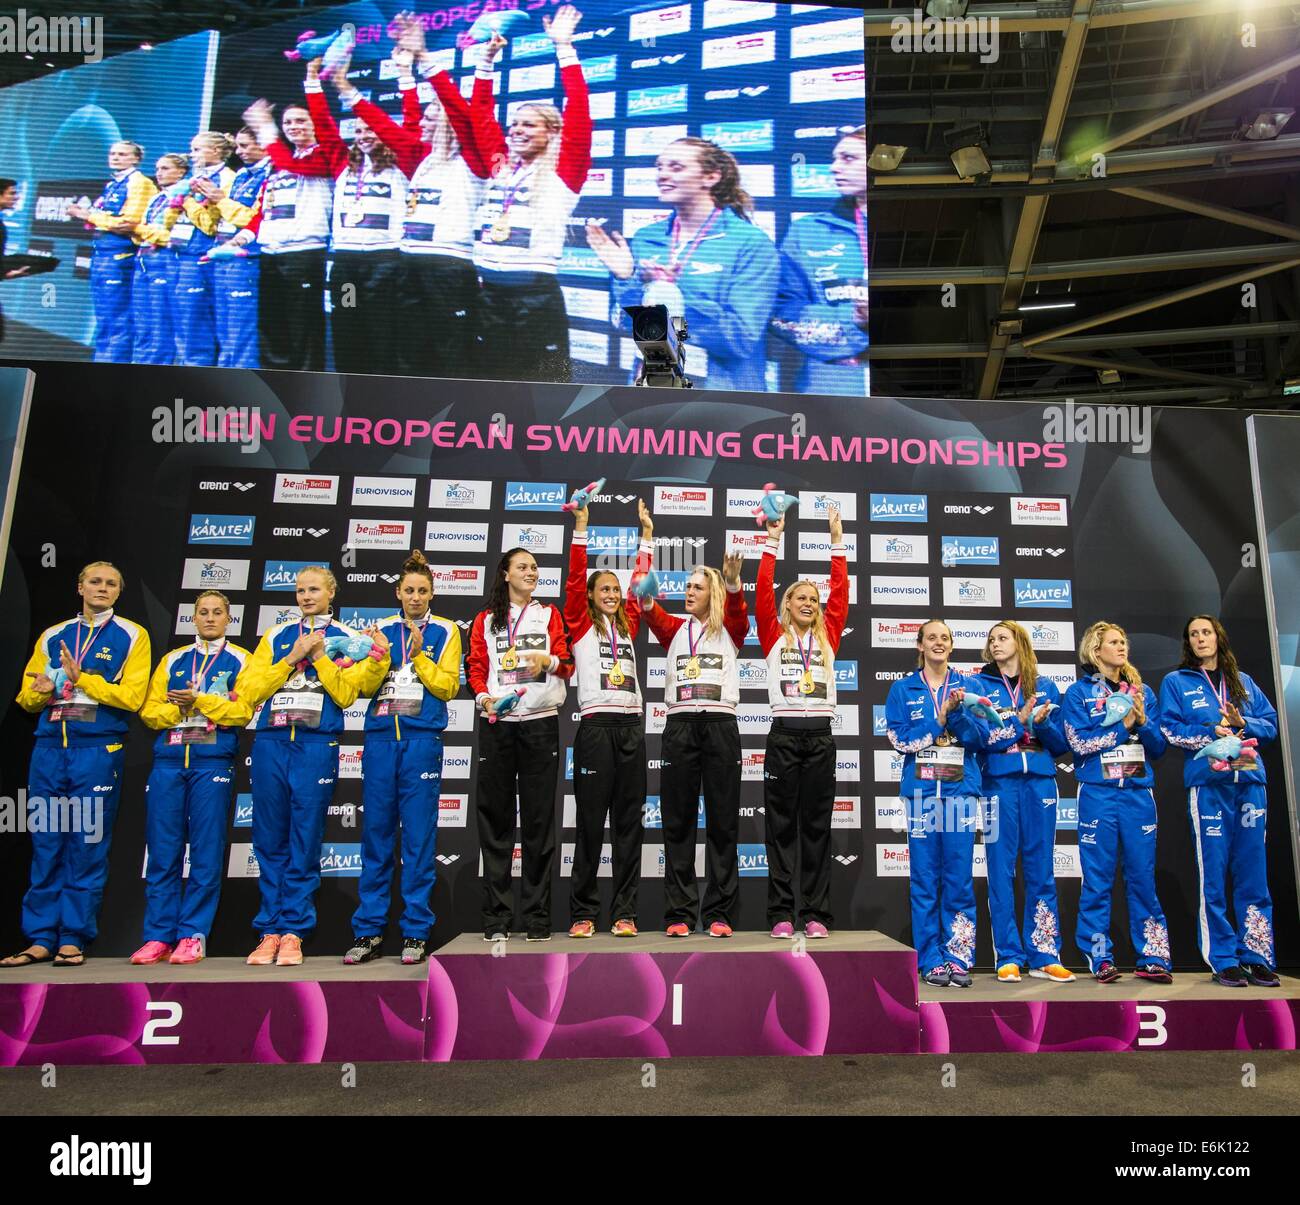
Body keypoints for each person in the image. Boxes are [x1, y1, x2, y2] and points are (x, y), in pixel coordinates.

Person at [233, 567, 388, 967]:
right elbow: (249, 692)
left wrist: (318, 657)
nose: (305, 596)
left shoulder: (349, 639)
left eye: (313, 589)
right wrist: (291, 658)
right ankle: (268, 929)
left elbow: (346, 695)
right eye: (300, 590)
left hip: (317, 744)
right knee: (269, 841)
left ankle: (294, 932)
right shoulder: (276, 635)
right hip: (271, 742)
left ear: (331, 592)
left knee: (304, 839)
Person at [2, 562, 150, 968]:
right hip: (50, 748)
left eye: (111, 584)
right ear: (80, 586)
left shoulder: (132, 635)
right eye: (95, 581)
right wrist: (42, 690)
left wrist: (82, 678)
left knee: (85, 846)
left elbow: (133, 697)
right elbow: (25, 699)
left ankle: (72, 937)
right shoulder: (54, 635)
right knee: (47, 843)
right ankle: (39, 938)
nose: (102, 588)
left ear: (119, 592)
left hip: (96, 750)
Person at [335, 12, 490, 379]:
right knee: (407, 348)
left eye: (433, 112)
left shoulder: (474, 160)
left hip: (449, 268)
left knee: (451, 352)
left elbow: (461, 112)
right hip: (409, 264)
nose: (425, 118)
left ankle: (454, 424)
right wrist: (344, 88)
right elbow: (387, 124)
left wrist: (422, 60)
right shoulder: (418, 159)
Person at [587, 137, 779, 392]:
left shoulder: (750, 243)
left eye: (676, 168)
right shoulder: (648, 237)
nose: (662, 175)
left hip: (720, 395)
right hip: (652, 388)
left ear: (710, 177)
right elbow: (621, 321)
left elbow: (740, 338)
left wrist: (671, 294)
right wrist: (628, 279)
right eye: (659, 167)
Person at [346, 551, 461, 966]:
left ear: (432, 594)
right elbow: (358, 687)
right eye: (409, 590)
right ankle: (369, 931)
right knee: (375, 837)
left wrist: (420, 655)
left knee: (417, 840)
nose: (415, 597)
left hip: (421, 743)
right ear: (398, 592)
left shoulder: (447, 632)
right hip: (379, 743)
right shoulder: (377, 631)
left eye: (423, 591)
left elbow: (448, 687)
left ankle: (415, 931)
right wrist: (377, 658)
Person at [468, 7, 592, 382]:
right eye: (513, 125)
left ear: (552, 132)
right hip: (487, 296)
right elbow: (480, 116)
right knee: (489, 386)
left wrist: (564, 47)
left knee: (542, 391)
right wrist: (485, 61)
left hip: (534, 300)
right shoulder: (501, 167)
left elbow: (581, 114)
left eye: (528, 124)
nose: (516, 131)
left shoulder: (562, 172)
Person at [1158, 616, 1280, 988]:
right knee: (1213, 873)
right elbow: (1169, 728)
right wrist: (1208, 732)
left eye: (1206, 632)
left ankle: (1257, 954)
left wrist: (1245, 723)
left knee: (1253, 874)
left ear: (1218, 637)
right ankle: (1223, 958)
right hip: (1210, 785)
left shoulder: (1243, 682)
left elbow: (1271, 725)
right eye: (1193, 634)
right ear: (1188, 643)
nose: (1200, 639)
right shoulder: (1176, 682)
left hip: (1250, 782)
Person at [133, 591, 252, 965]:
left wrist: (200, 702)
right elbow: (149, 713)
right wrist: (176, 709)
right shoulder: (173, 660)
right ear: (193, 617)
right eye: (204, 612)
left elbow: (243, 711)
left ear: (229, 619)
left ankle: (192, 934)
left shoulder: (241, 660)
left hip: (212, 761)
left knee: (205, 851)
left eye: (218, 612)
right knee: (163, 852)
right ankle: (157, 935)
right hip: (169, 760)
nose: (210, 618)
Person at [468, 548, 574, 941]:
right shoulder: (485, 620)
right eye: (523, 566)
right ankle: (496, 917)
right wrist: (484, 699)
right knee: (496, 824)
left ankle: (537, 917)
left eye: (534, 567)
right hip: (498, 724)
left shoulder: (549, 614)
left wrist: (548, 662)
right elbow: (476, 668)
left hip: (540, 725)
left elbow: (568, 665)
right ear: (505, 573)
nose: (531, 572)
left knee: (538, 823)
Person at [642, 552, 748, 938]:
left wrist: (734, 581)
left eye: (697, 587)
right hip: (680, 725)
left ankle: (719, 912)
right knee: (678, 822)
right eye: (687, 586)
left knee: (722, 823)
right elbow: (648, 607)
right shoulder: (675, 630)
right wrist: (645, 558)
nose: (688, 591)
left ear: (713, 593)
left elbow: (738, 610)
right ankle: (680, 913)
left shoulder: (730, 629)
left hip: (720, 725)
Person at [562, 498, 654, 938]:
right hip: (596, 730)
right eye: (605, 590)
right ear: (592, 596)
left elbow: (640, 583)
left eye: (616, 590)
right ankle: (582, 912)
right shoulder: (579, 623)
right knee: (590, 825)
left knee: (628, 827)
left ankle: (625, 913)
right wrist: (581, 527)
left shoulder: (629, 625)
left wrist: (647, 539)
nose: (614, 595)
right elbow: (575, 578)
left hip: (630, 731)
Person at [755, 506, 848, 939]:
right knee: (780, 829)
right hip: (784, 738)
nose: (809, 603)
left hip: (820, 739)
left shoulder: (828, 636)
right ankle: (780, 913)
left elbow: (841, 592)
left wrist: (836, 540)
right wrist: (772, 541)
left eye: (814, 597)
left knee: (815, 829)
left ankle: (814, 913)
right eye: (800, 597)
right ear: (786, 604)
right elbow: (759, 591)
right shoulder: (773, 635)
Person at [1063, 621, 1172, 984]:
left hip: (1138, 794)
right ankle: (1099, 957)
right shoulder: (1078, 693)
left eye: (1124, 641)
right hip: (1098, 793)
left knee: (1142, 876)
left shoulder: (1143, 691)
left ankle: (1153, 956)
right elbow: (1079, 744)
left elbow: (1158, 748)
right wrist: (1124, 725)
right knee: (1098, 878)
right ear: (1096, 651)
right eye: (1113, 642)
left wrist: (1143, 722)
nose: (1122, 646)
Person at [885, 619, 989, 987]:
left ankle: (959, 956)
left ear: (952, 644)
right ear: (920, 645)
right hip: (922, 795)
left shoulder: (970, 685)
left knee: (959, 878)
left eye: (945, 637)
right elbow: (899, 739)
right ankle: (931, 959)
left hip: (960, 792)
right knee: (925, 879)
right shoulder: (902, 688)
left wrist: (957, 719)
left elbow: (983, 737)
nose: (939, 643)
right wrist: (937, 719)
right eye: (932, 637)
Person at [971, 620, 1074, 983]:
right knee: (1000, 869)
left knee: (1041, 868)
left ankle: (1045, 953)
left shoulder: (1045, 686)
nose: (995, 644)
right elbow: (980, 738)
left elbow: (1062, 743)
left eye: (1002, 637)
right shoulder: (978, 686)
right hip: (999, 782)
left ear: (1020, 642)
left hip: (1041, 783)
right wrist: (1019, 721)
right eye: (991, 639)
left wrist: (1043, 725)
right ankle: (1008, 955)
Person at [242, 81, 334, 371]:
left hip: (305, 254)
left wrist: (265, 129)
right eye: (287, 122)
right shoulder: (280, 162)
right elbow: (265, 207)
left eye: (300, 120)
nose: (294, 126)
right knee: (272, 325)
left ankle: (307, 389)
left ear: (314, 123)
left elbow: (297, 168)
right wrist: (243, 237)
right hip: (271, 253)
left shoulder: (325, 154)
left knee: (301, 327)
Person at [771, 127, 870, 395]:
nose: (834, 168)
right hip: (831, 394)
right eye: (835, 159)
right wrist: (853, 320)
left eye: (848, 159)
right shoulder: (807, 231)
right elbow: (781, 314)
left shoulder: (918, 228)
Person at [66, 142, 158, 362]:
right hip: (102, 254)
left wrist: (87, 215)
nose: (115, 157)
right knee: (104, 318)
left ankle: (113, 368)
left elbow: (127, 223)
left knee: (118, 318)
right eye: (113, 153)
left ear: (136, 159)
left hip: (120, 255)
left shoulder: (140, 183)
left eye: (122, 154)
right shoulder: (113, 184)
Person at [193, 127, 271, 369]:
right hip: (223, 252)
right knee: (224, 329)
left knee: (240, 331)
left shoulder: (271, 174)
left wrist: (219, 199)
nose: (239, 152)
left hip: (247, 256)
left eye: (246, 146)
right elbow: (215, 221)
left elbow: (253, 218)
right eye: (238, 146)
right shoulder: (240, 175)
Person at [166, 131, 236, 365]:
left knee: (196, 321)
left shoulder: (227, 179)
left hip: (204, 255)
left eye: (197, 149)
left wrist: (187, 202)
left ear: (215, 151)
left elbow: (211, 226)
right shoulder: (195, 180)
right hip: (182, 252)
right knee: (182, 321)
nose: (192, 155)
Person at [130, 153, 190, 365]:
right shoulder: (157, 196)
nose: (159, 173)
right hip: (143, 259)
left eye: (165, 168)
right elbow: (139, 232)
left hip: (164, 261)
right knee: (142, 323)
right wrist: (140, 231)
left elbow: (171, 236)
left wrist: (139, 229)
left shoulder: (184, 196)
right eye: (157, 169)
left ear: (181, 171)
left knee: (159, 323)